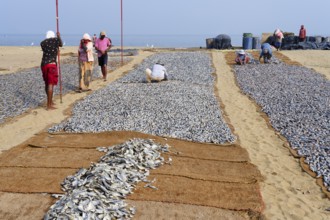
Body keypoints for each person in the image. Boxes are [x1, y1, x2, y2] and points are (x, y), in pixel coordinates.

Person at [40, 30, 63, 110]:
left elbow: (48, 49)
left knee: (46, 83)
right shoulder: (56, 40)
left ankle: (50, 101)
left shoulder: (42, 43)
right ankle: (49, 105)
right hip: (51, 64)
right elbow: (61, 44)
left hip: (43, 64)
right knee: (50, 83)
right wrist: (59, 36)